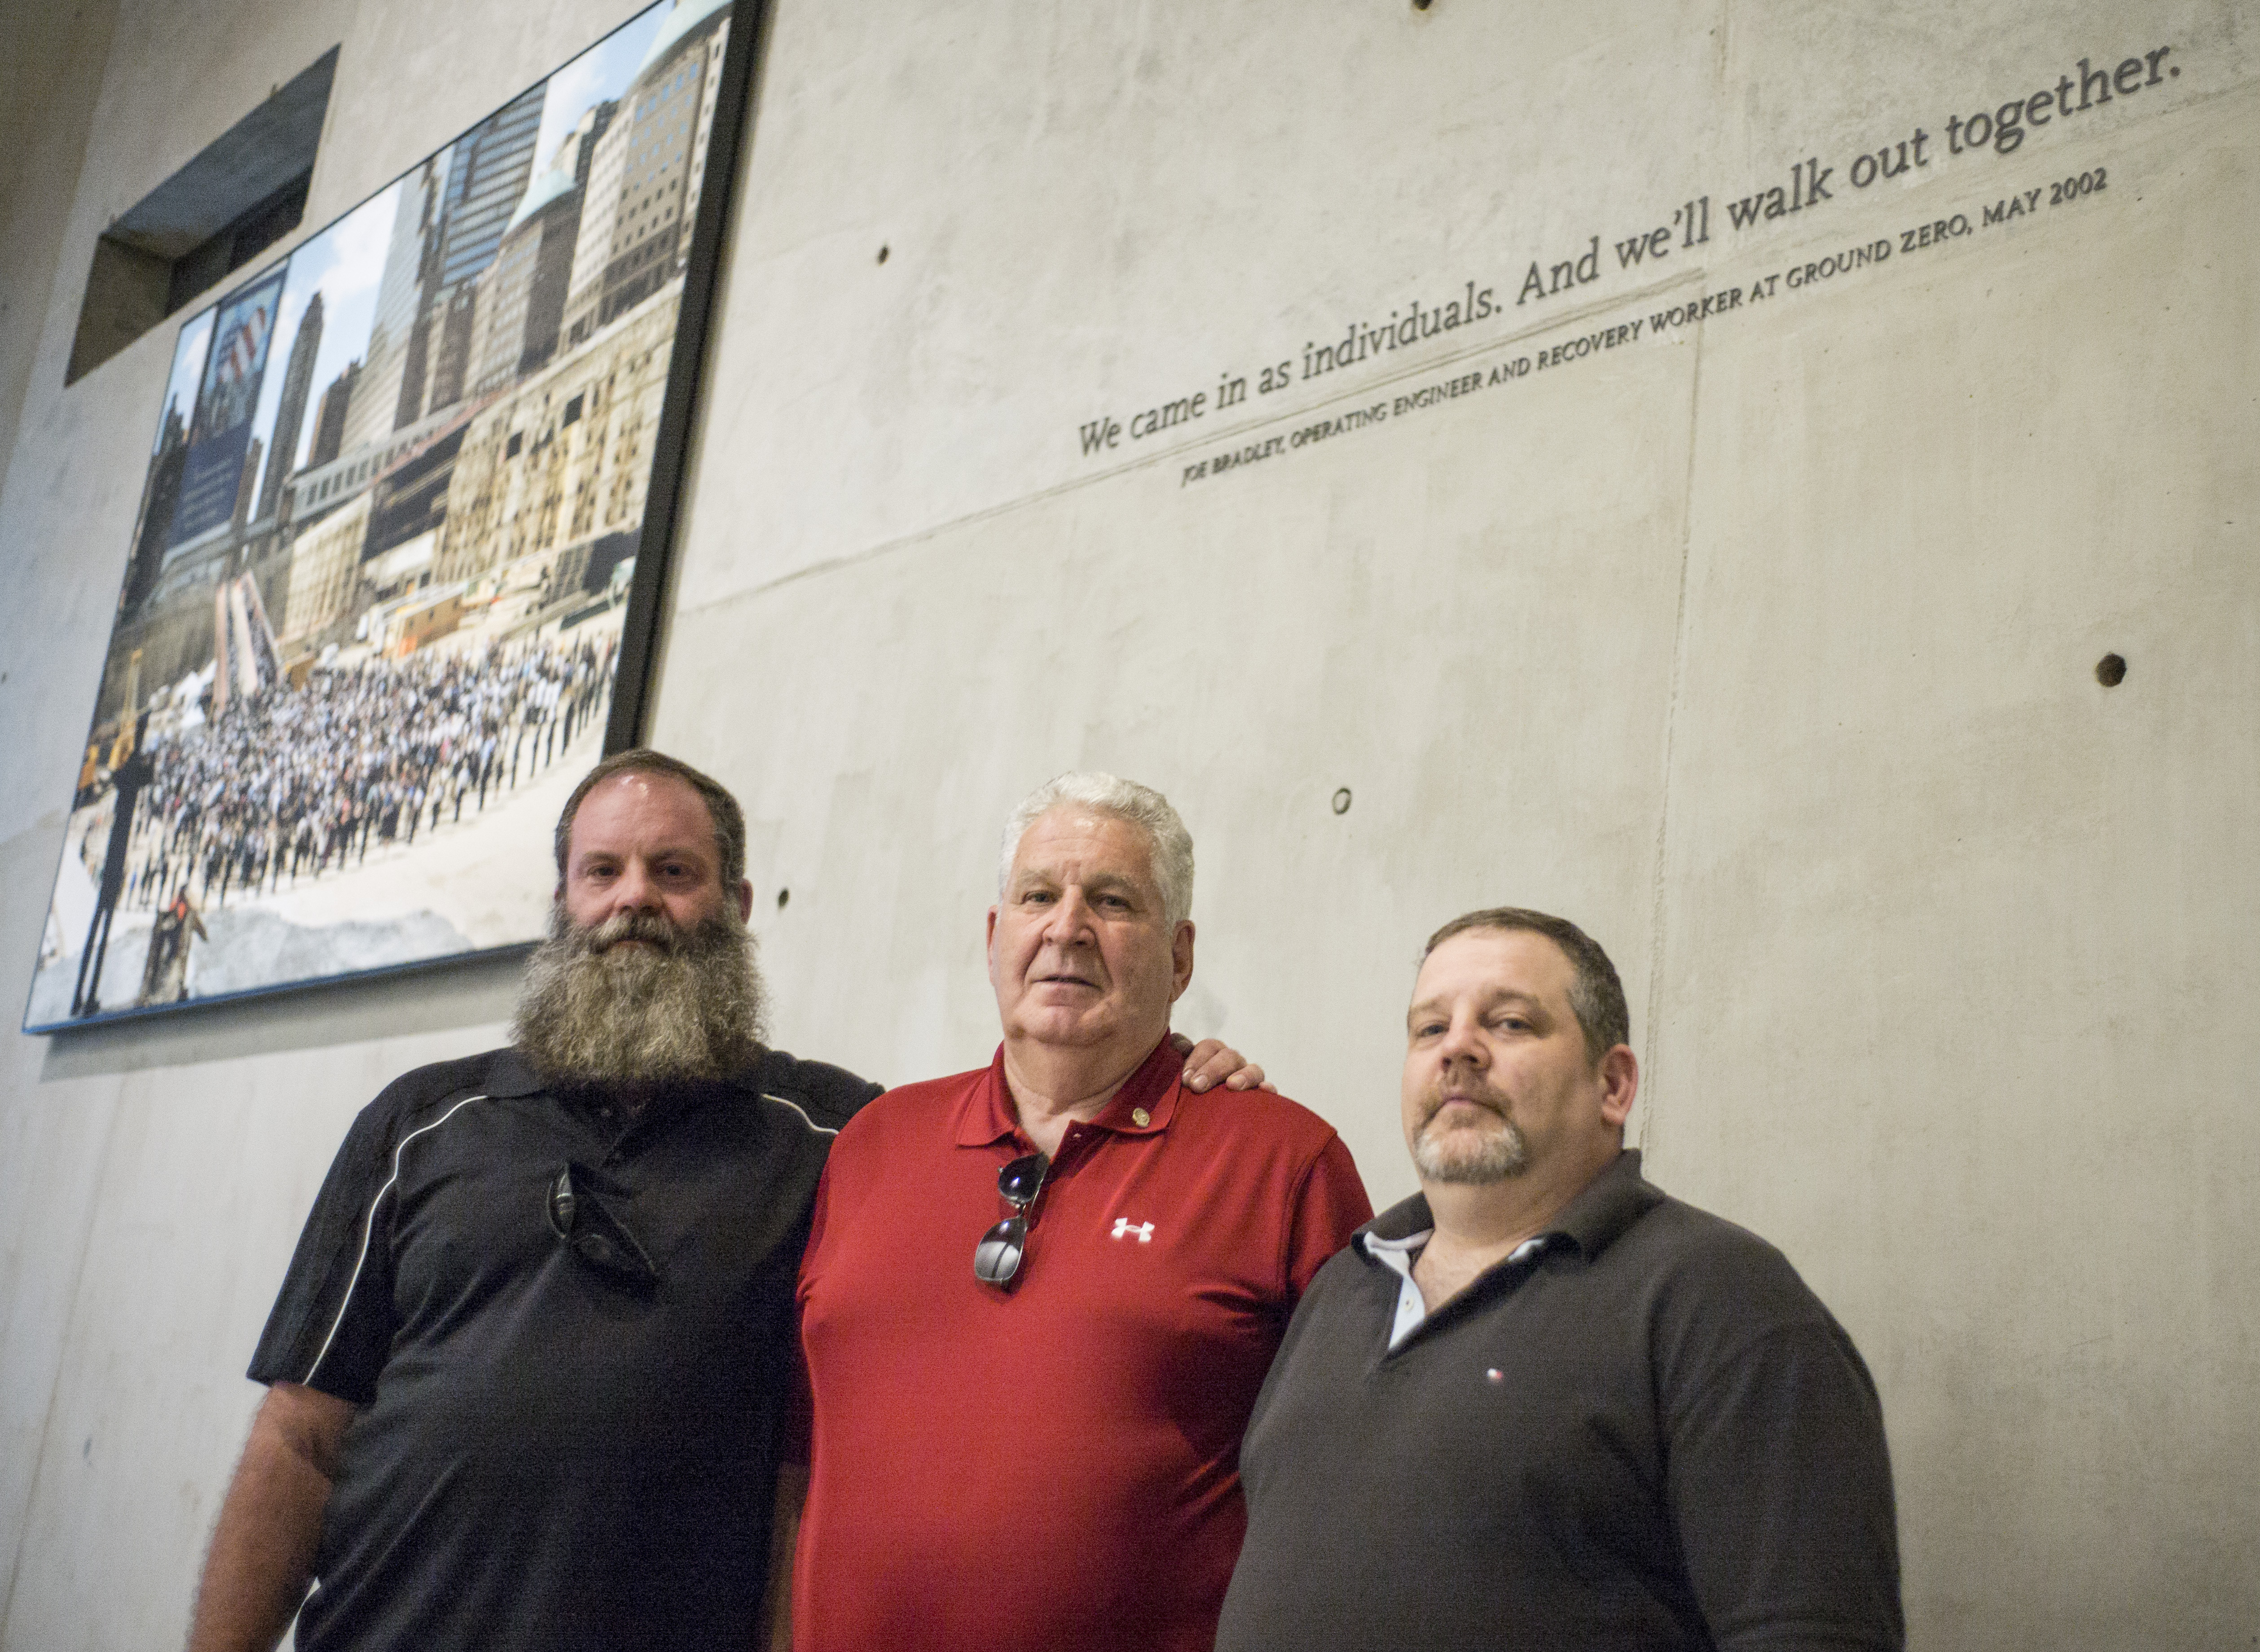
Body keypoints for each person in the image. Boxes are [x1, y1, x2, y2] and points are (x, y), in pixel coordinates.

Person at [184, 750, 1261, 1652]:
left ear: (737, 906)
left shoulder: (849, 1140)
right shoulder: (417, 1124)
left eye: (674, 869)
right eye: (600, 871)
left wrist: (1177, 1075)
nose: (633, 899)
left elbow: (1045, 1162)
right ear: (562, 901)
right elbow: (299, 1442)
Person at [1214, 907, 1904, 1652]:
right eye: (1429, 1028)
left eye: (1509, 1024)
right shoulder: (1343, 1288)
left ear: (1612, 1084)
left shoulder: (1721, 1302)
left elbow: (1811, 1633)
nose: (1458, 1051)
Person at [790, 773, 1373, 1652]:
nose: (1067, 927)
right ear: (995, 938)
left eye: (1112, 901)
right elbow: (794, 1456)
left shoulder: (1281, 1163)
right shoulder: (871, 1144)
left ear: (1179, 957)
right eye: (1038, 896)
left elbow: (1352, 1498)